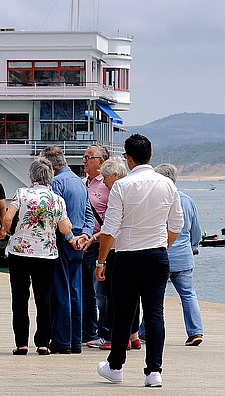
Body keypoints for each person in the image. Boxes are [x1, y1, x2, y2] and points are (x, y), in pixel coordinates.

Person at [95, 134, 184, 387]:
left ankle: (115, 367)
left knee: (122, 314)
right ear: (151, 155)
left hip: (127, 256)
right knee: (155, 313)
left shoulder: (122, 186)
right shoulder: (167, 184)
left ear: (128, 158)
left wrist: (101, 262)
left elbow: (110, 229)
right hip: (156, 255)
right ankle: (154, 371)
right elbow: (177, 224)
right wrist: (162, 246)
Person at [0, 159, 73, 356]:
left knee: (20, 298)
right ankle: (42, 343)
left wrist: (9, 232)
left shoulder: (21, 194)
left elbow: (7, 218)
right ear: (50, 176)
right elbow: (65, 229)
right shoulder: (56, 200)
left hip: (20, 251)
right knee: (44, 299)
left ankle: (22, 344)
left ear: (31, 176)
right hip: (46, 253)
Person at [40, 146, 94, 354]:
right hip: (79, 239)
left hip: (64, 239)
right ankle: (75, 339)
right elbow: (89, 213)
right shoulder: (80, 183)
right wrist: (85, 236)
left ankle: (62, 339)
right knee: (76, 290)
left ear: (50, 165)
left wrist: (71, 237)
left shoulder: (57, 183)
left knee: (60, 290)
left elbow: (57, 214)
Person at [85, 157, 141, 351]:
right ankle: (134, 336)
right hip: (135, 248)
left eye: (106, 178)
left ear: (116, 175)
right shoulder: (134, 191)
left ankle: (121, 337)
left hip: (117, 250)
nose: (105, 182)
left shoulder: (119, 192)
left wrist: (101, 259)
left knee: (115, 296)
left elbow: (111, 228)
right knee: (133, 297)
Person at [145, 163, 204, 347]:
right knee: (188, 294)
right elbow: (196, 230)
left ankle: (146, 330)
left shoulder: (155, 200)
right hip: (184, 256)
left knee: (154, 296)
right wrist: (192, 245)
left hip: (161, 255)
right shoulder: (187, 200)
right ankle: (195, 331)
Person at [82, 145, 110, 347]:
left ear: (101, 161)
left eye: (88, 157)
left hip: (100, 243)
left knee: (101, 291)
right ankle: (89, 331)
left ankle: (105, 332)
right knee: (85, 291)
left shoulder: (107, 184)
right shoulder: (83, 183)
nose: (84, 160)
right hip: (84, 243)